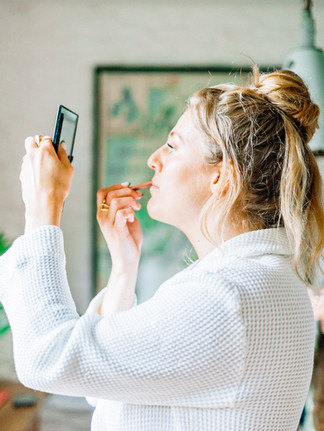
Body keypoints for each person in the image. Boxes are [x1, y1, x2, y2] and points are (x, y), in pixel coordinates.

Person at [0, 66, 323, 431]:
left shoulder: (227, 297)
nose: (155, 158)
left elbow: (47, 359)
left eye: (172, 145)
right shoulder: (258, 281)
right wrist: (124, 268)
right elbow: (103, 382)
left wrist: (43, 207)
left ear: (222, 176)